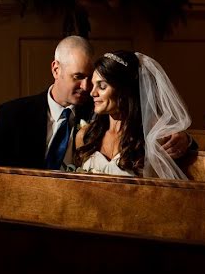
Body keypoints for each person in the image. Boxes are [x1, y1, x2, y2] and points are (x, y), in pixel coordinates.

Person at [0, 36, 192, 169]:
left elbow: (151, 129)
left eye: (90, 78)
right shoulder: (14, 115)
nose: (87, 88)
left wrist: (184, 139)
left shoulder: (100, 110)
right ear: (56, 69)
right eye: (77, 76)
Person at [72, 50, 192, 179]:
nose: (92, 93)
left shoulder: (152, 136)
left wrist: (187, 139)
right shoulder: (85, 136)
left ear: (123, 90)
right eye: (93, 85)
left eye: (102, 86)